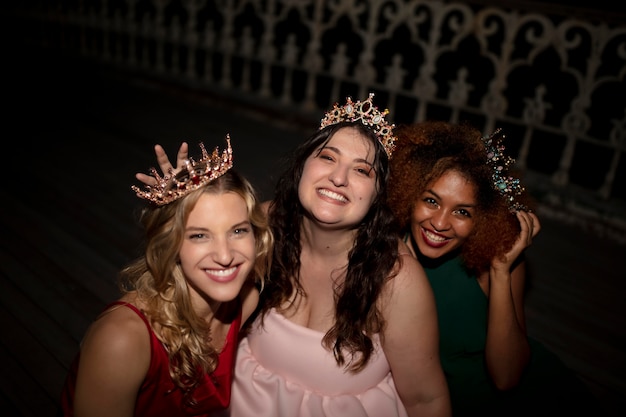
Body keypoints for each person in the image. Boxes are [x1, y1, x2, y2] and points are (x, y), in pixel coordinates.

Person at [143, 94, 452, 417]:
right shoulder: (264, 229)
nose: (339, 178)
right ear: (303, 164)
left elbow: (426, 400)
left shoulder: (396, 279)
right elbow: (190, 269)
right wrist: (179, 209)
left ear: (378, 195)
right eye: (328, 157)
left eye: (362, 170)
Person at [386, 120, 605, 416]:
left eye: (462, 212)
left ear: (483, 220)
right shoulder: (384, 247)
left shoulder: (497, 261)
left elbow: (507, 378)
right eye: (431, 201)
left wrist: (502, 272)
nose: (439, 223)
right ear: (409, 195)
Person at [60, 136, 273, 417]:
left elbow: (288, 210)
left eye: (237, 231)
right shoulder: (122, 339)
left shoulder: (244, 302)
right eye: (199, 235)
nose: (225, 255)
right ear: (170, 245)